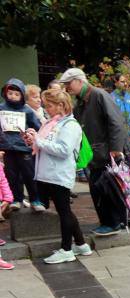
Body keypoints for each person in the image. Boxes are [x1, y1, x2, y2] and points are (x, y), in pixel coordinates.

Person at [24, 88, 91, 264]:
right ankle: (82, 244)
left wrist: (38, 141)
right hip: (50, 174)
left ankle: (66, 249)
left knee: (64, 212)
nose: (47, 109)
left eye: (50, 106)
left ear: (61, 105)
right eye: (46, 106)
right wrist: (34, 138)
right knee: (65, 211)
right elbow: (48, 144)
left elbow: (63, 150)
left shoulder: (70, 125)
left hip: (59, 175)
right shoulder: (53, 123)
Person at [60, 68, 128, 236]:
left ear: (79, 81)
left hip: (106, 153)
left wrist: (116, 148)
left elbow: (116, 122)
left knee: (105, 188)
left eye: (69, 84)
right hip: (96, 153)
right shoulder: (82, 101)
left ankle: (112, 223)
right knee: (99, 188)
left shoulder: (98, 95)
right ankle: (110, 222)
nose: (67, 87)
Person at [0, 78, 42, 211]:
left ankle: (35, 200)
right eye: (10, 93)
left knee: (29, 174)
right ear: (5, 93)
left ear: (22, 95)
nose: (13, 96)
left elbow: (38, 126)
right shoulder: (1, 108)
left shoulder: (27, 110)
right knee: (11, 175)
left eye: (16, 94)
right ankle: (17, 199)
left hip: (24, 148)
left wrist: (32, 133)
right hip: (7, 148)